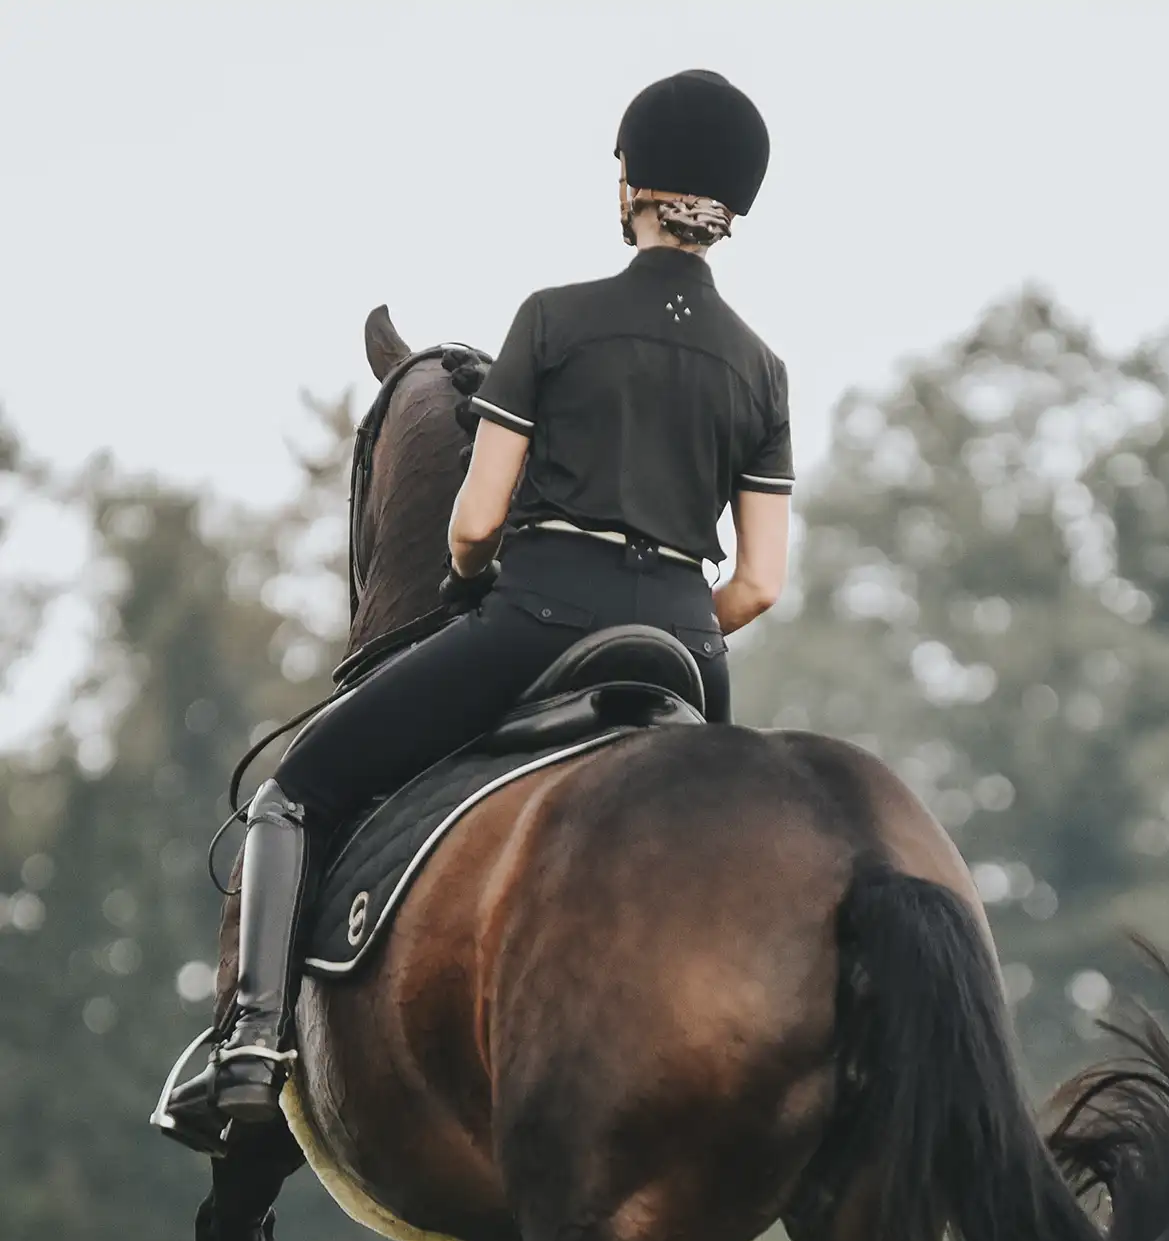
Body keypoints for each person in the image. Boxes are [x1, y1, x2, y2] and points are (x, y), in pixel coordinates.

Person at [164, 67, 793, 1141]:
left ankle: (250, 1049)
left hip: (539, 621)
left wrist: (481, 586)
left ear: (631, 185)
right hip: (690, 654)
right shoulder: (763, 369)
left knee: (294, 792)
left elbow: (472, 523)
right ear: (736, 205)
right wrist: (680, 620)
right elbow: (760, 583)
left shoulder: (553, 320)